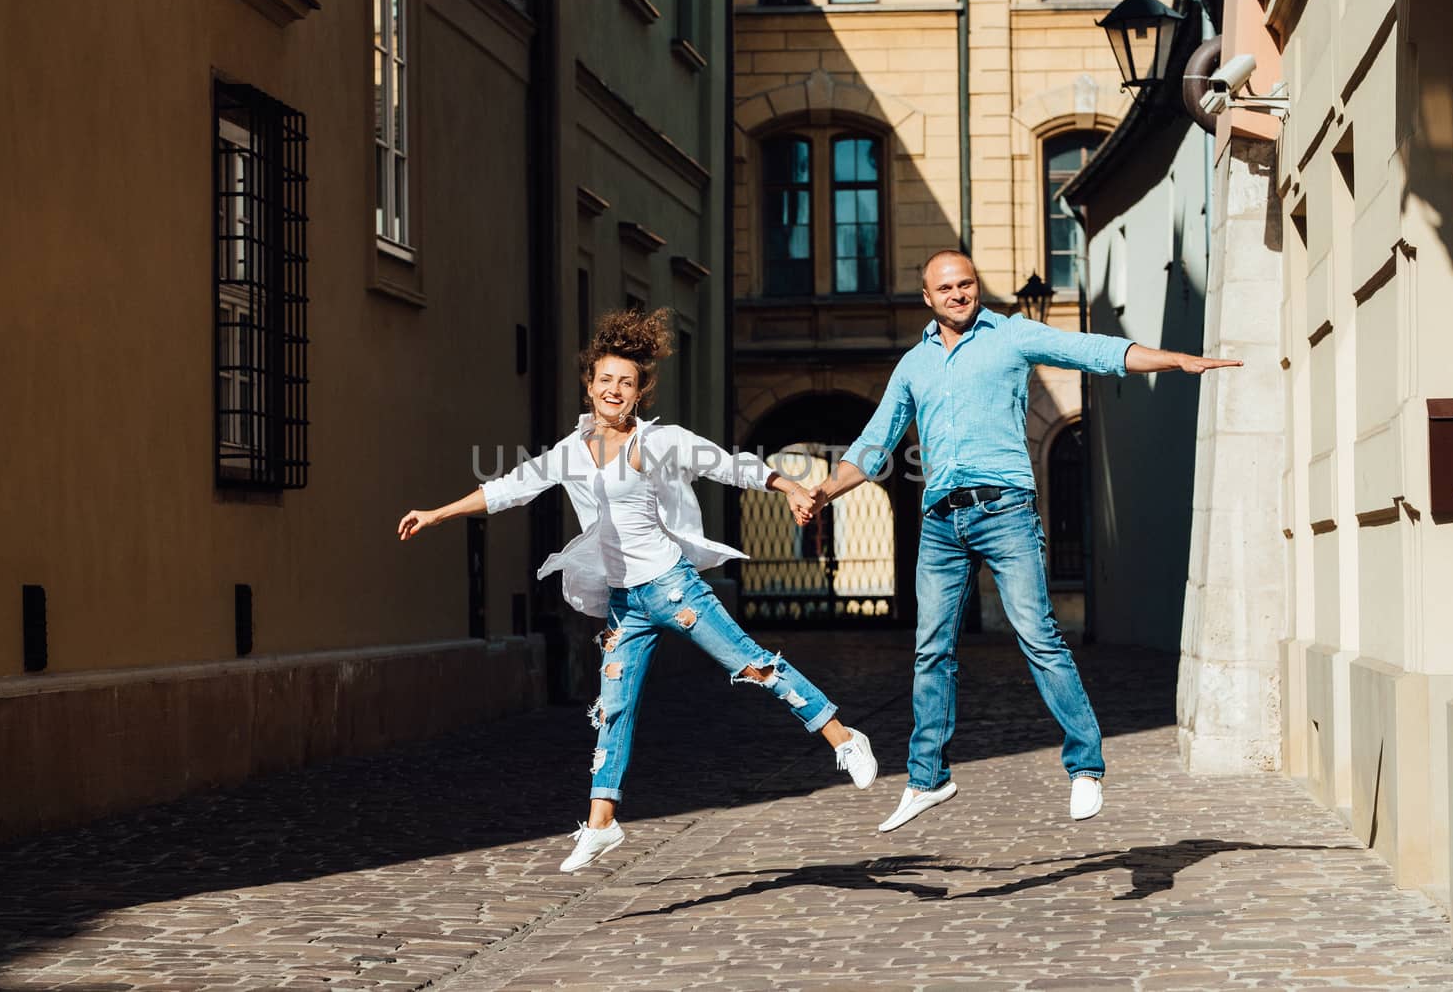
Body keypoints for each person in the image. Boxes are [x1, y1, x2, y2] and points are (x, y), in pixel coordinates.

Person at [399, 308, 878, 873]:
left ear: (639, 393)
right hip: (625, 603)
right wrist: (438, 514)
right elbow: (509, 488)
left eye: (626, 383)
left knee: (751, 665)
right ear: (590, 386)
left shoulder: (662, 441)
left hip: (673, 588)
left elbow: (732, 466)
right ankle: (602, 823)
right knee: (614, 708)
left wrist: (791, 486)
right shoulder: (571, 451)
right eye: (605, 380)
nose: (614, 390)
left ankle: (845, 737)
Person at [796, 249, 1239, 832]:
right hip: (939, 523)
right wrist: (826, 490)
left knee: (1038, 637)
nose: (959, 294)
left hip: (1004, 511)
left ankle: (1086, 766)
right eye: (946, 288)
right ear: (926, 299)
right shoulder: (913, 366)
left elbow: (1095, 351)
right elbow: (875, 443)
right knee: (931, 650)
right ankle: (928, 778)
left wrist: (1175, 361)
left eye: (967, 284)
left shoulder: (1010, 336)